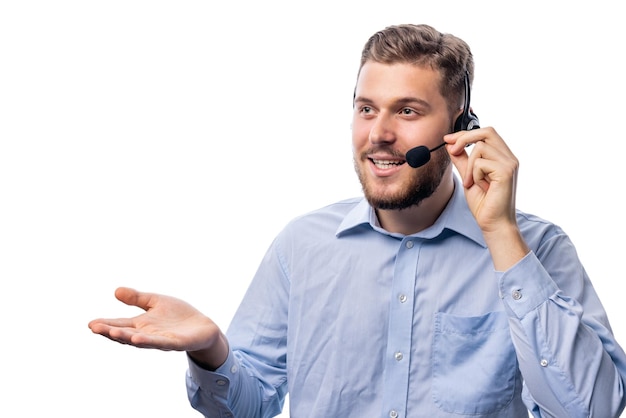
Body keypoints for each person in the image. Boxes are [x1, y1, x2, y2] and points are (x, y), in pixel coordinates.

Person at [88, 23, 626, 418]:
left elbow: (592, 410)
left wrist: (502, 236)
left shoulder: (537, 249)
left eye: (407, 111)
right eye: (367, 108)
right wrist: (210, 350)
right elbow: (248, 407)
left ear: (461, 128)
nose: (379, 134)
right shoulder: (302, 246)